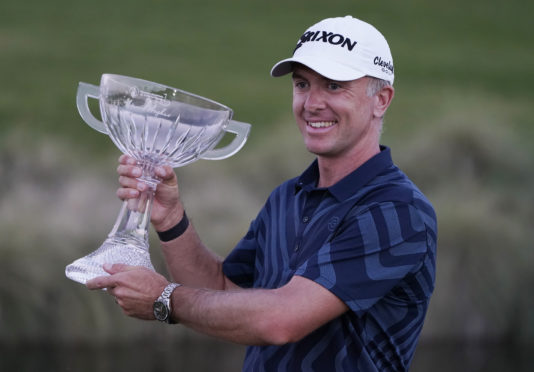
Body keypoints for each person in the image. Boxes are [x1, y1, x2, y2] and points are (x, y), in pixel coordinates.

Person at [87, 15, 437, 371]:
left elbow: (282, 319)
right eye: (302, 85)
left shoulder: (397, 211)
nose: (312, 103)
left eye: (333, 86)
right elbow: (222, 290)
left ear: (381, 99)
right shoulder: (289, 196)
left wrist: (164, 300)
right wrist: (171, 218)